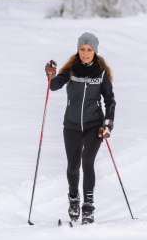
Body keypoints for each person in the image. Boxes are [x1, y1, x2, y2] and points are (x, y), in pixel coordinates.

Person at [45, 32, 116, 224]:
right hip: (72, 125)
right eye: (82, 49)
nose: (85, 53)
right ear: (78, 50)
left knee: (88, 162)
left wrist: (108, 123)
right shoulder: (71, 70)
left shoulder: (101, 74)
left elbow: (110, 101)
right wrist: (50, 74)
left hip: (94, 125)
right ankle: (74, 199)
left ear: (95, 51)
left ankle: (88, 207)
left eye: (89, 50)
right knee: (73, 166)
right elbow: (54, 86)